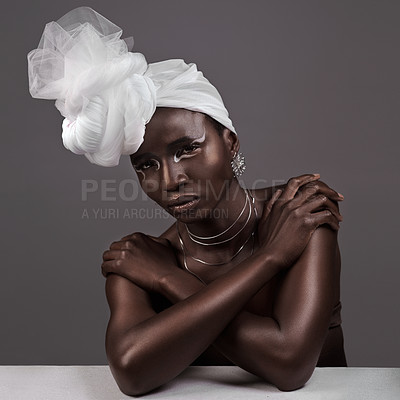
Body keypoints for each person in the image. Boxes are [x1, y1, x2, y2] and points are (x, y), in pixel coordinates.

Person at [28, 7, 346, 397]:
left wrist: (170, 281)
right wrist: (271, 259)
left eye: (187, 149)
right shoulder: (140, 258)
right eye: (146, 164)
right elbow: (132, 373)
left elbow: (290, 363)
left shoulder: (297, 212)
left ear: (229, 141)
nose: (170, 180)